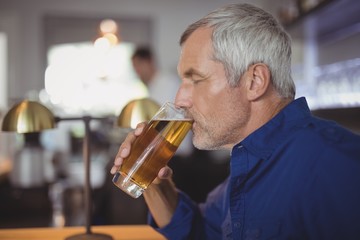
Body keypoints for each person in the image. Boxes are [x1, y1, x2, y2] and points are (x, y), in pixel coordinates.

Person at [111, 3, 360, 239]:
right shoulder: (250, 157)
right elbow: (200, 230)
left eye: (195, 79)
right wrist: (155, 183)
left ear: (254, 82)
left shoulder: (337, 165)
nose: (180, 99)